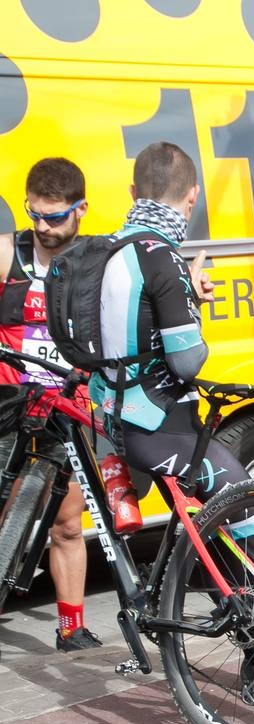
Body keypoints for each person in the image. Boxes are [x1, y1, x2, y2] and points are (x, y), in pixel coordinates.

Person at [96, 142, 254, 697]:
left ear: (133, 193)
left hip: (114, 419)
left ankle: (222, 622)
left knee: (217, 521)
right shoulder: (162, 256)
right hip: (160, 425)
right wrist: (192, 306)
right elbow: (186, 359)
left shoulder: (111, 249)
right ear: (194, 196)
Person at [0, 158, 97, 650]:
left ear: (80, 209)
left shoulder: (95, 262)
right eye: (34, 214)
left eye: (54, 217)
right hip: (9, 406)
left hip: (68, 409)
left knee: (66, 524)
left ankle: (70, 628)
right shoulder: (7, 254)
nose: (42, 227)